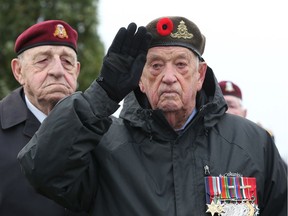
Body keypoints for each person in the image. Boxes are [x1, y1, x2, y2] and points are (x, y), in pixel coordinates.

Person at [18, 16, 287, 216]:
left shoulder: (252, 143)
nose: (169, 77)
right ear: (140, 80)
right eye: (156, 66)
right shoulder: (104, 145)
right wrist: (102, 94)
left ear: (200, 76)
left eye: (181, 64)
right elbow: (42, 170)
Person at [0, 20, 87, 215]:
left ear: (77, 71)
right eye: (42, 60)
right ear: (18, 71)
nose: (58, 71)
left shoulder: (101, 131)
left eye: (67, 62)